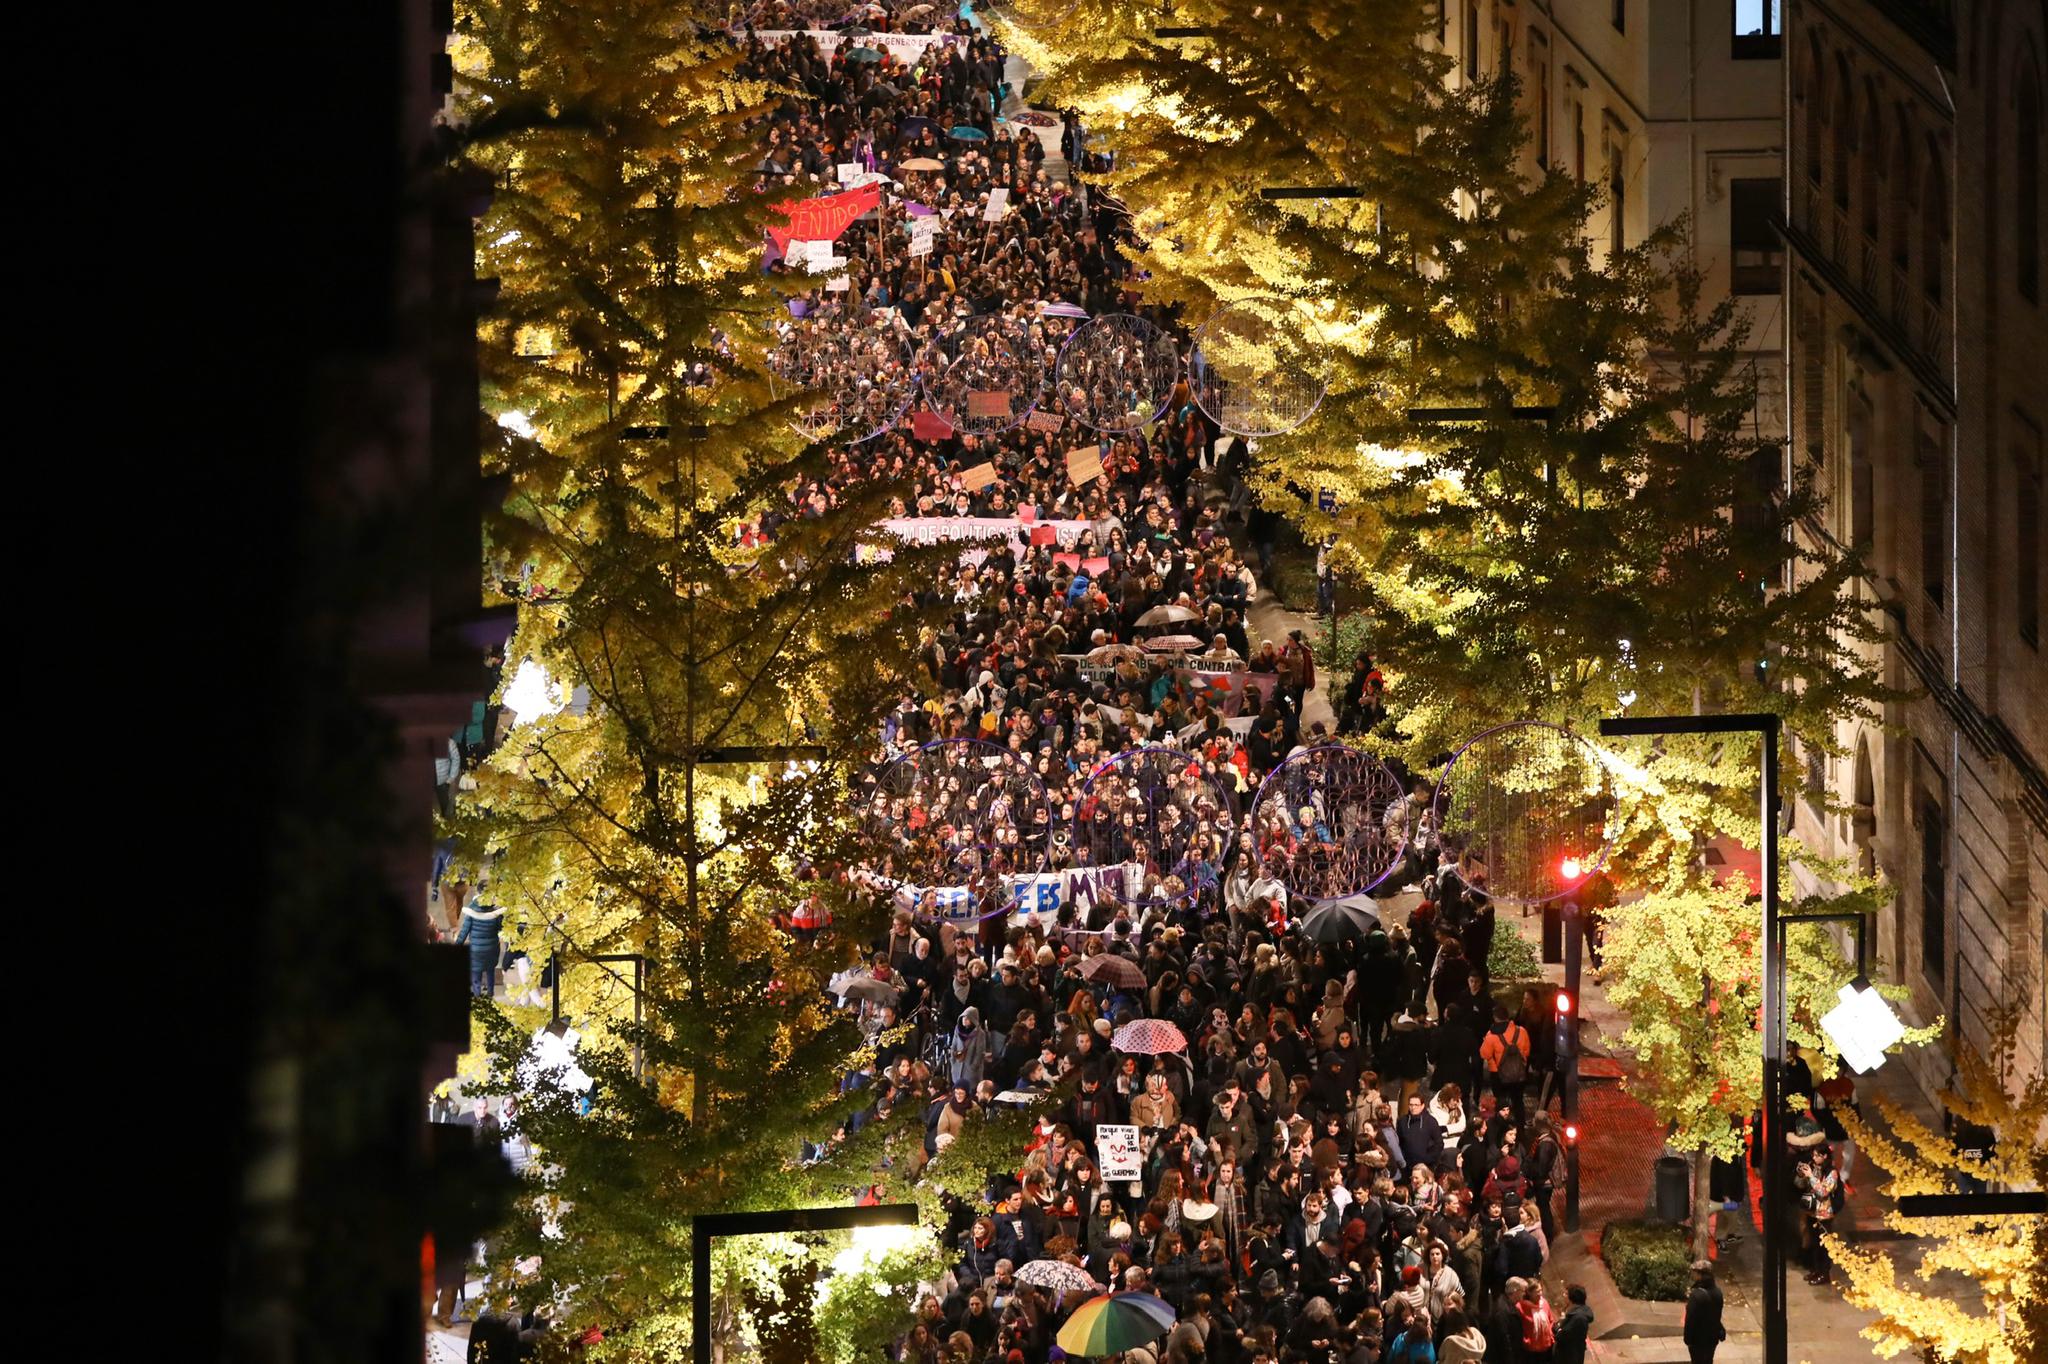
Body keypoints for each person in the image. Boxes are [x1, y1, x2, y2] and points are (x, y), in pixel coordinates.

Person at [1682, 1261, 1725, 1364]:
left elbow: (1690, 1320)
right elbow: (1717, 1314)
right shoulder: (1718, 1292)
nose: (1693, 1275)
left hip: (1698, 1340)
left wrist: (1687, 1339)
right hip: (1712, 1338)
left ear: (1700, 1275)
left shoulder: (1696, 1295)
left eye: (1695, 1272)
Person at [1552, 1285, 1593, 1364]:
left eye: (1566, 1294)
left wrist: (1558, 1328)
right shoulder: (1572, 1311)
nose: (1564, 1295)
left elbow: (1560, 1335)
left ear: (1572, 1298)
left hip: (1569, 1357)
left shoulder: (1578, 1318)